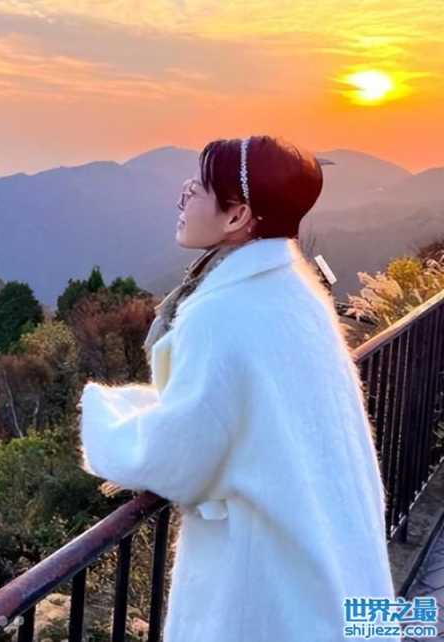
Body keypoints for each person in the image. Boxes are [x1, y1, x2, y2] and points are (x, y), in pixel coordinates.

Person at [78, 135, 399, 641]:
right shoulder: (294, 291)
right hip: (332, 564)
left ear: (237, 216)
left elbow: (177, 459)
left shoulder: (222, 313)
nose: (184, 195)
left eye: (198, 186)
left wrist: (104, 413)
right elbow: (238, 410)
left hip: (269, 585)